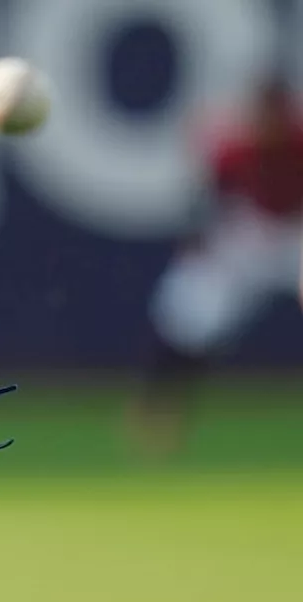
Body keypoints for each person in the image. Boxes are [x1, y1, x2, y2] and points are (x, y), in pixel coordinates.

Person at [130, 71, 303, 457]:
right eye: (263, 112)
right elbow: (206, 203)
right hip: (251, 231)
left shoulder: (298, 139)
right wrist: (199, 248)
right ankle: (160, 412)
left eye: (275, 111)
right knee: (190, 308)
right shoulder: (233, 145)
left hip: (297, 229)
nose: (268, 121)